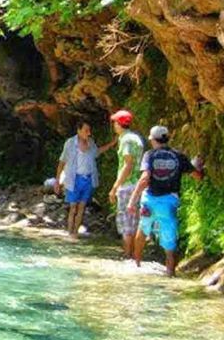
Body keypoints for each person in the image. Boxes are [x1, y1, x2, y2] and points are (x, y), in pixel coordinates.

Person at [128, 125, 204, 276]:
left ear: (153, 140)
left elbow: (144, 179)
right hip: (169, 202)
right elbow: (197, 176)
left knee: (143, 228)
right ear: (167, 138)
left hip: (149, 200)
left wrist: (132, 200)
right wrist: (198, 167)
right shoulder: (179, 156)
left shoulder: (149, 155)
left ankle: (136, 264)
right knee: (169, 239)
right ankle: (170, 273)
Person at [99, 110, 145, 258]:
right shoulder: (136, 138)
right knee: (135, 220)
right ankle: (135, 256)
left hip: (127, 186)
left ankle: (127, 255)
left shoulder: (126, 140)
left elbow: (128, 164)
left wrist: (114, 187)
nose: (114, 125)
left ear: (119, 124)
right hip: (138, 185)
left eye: (115, 122)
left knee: (126, 223)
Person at [54, 121, 99, 238]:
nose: (88, 133)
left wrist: (113, 143)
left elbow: (97, 152)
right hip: (73, 178)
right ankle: (70, 232)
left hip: (87, 178)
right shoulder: (70, 143)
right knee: (73, 207)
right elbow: (62, 162)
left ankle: (75, 232)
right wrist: (57, 181)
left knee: (82, 207)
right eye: (86, 130)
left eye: (89, 131)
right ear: (78, 131)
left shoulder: (91, 142)